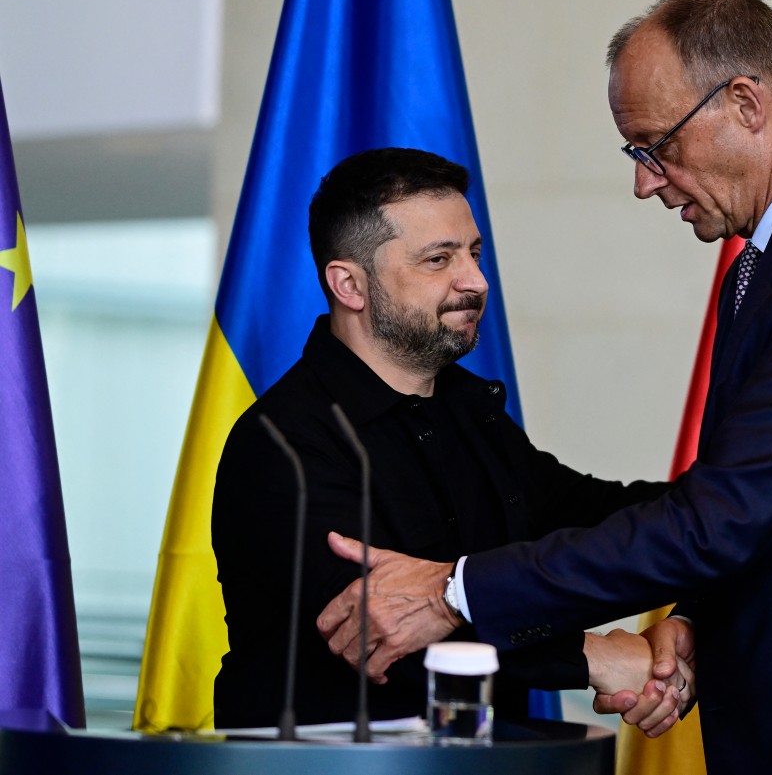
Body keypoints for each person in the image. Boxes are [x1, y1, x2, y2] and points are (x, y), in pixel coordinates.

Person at [314, 0, 772, 773]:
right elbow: (771, 499)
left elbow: (723, 515)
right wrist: (689, 616)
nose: (647, 182)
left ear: (746, 104)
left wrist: (453, 591)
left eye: (655, 146)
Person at [211, 147, 687, 728]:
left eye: (474, 252)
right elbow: (380, 633)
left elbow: (591, 519)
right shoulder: (279, 443)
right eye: (439, 259)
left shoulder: (470, 411)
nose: (476, 281)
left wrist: (731, 508)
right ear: (349, 285)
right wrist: (598, 657)